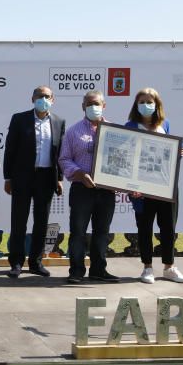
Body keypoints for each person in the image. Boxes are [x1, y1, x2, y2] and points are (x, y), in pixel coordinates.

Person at [125, 88, 183, 284]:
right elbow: (126, 157)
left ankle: (169, 267)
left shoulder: (165, 124)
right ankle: (147, 268)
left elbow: (165, 154)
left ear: (157, 104)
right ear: (136, 105)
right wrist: (130, 185)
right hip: (141, 188)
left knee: (168, 227)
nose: (146, 105)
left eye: (149, 101)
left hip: (166, 187)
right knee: (145, 228)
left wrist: (177, 153)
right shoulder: (130, 126)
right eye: (142, 102)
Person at [2, 85, 65, 278]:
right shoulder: (19, 119)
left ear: (52, 100)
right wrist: (8, 177)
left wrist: (60, 178)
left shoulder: (58, 121)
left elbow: (60, 152)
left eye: (46, 96)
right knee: (19, 221)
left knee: (41, 222)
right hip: (22, 177)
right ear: (32, 98)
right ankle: (16, 263)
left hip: (46, 178)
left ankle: (36, 263)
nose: (42, 99)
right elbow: (10, 149)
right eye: (39, 96)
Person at [58, 90, 118, 284]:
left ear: (104, 106)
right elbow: (64, 159)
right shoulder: (73, 131)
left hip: (106, 190)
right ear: (83, 107)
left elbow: (123, 161)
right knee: (78, 232)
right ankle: (76, 271)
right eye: (89, 104)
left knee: (102, 232)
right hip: (81, 188)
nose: (94, 107)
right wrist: (80, 174)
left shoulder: (115, 132)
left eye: (97, 104)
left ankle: (99, 270)